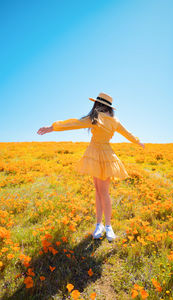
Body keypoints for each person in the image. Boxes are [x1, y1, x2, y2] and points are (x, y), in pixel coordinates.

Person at [37, 92, 145, 242]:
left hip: (101, 155)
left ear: (98, 104)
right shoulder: (111, 120)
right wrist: (138, 141)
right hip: (98, 154)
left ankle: (108, 226)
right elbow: (128, 134)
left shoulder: (97, 118)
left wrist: (52, 127)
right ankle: (99, 225)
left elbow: (73, 123)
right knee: (99, 190)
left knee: (103, 192)